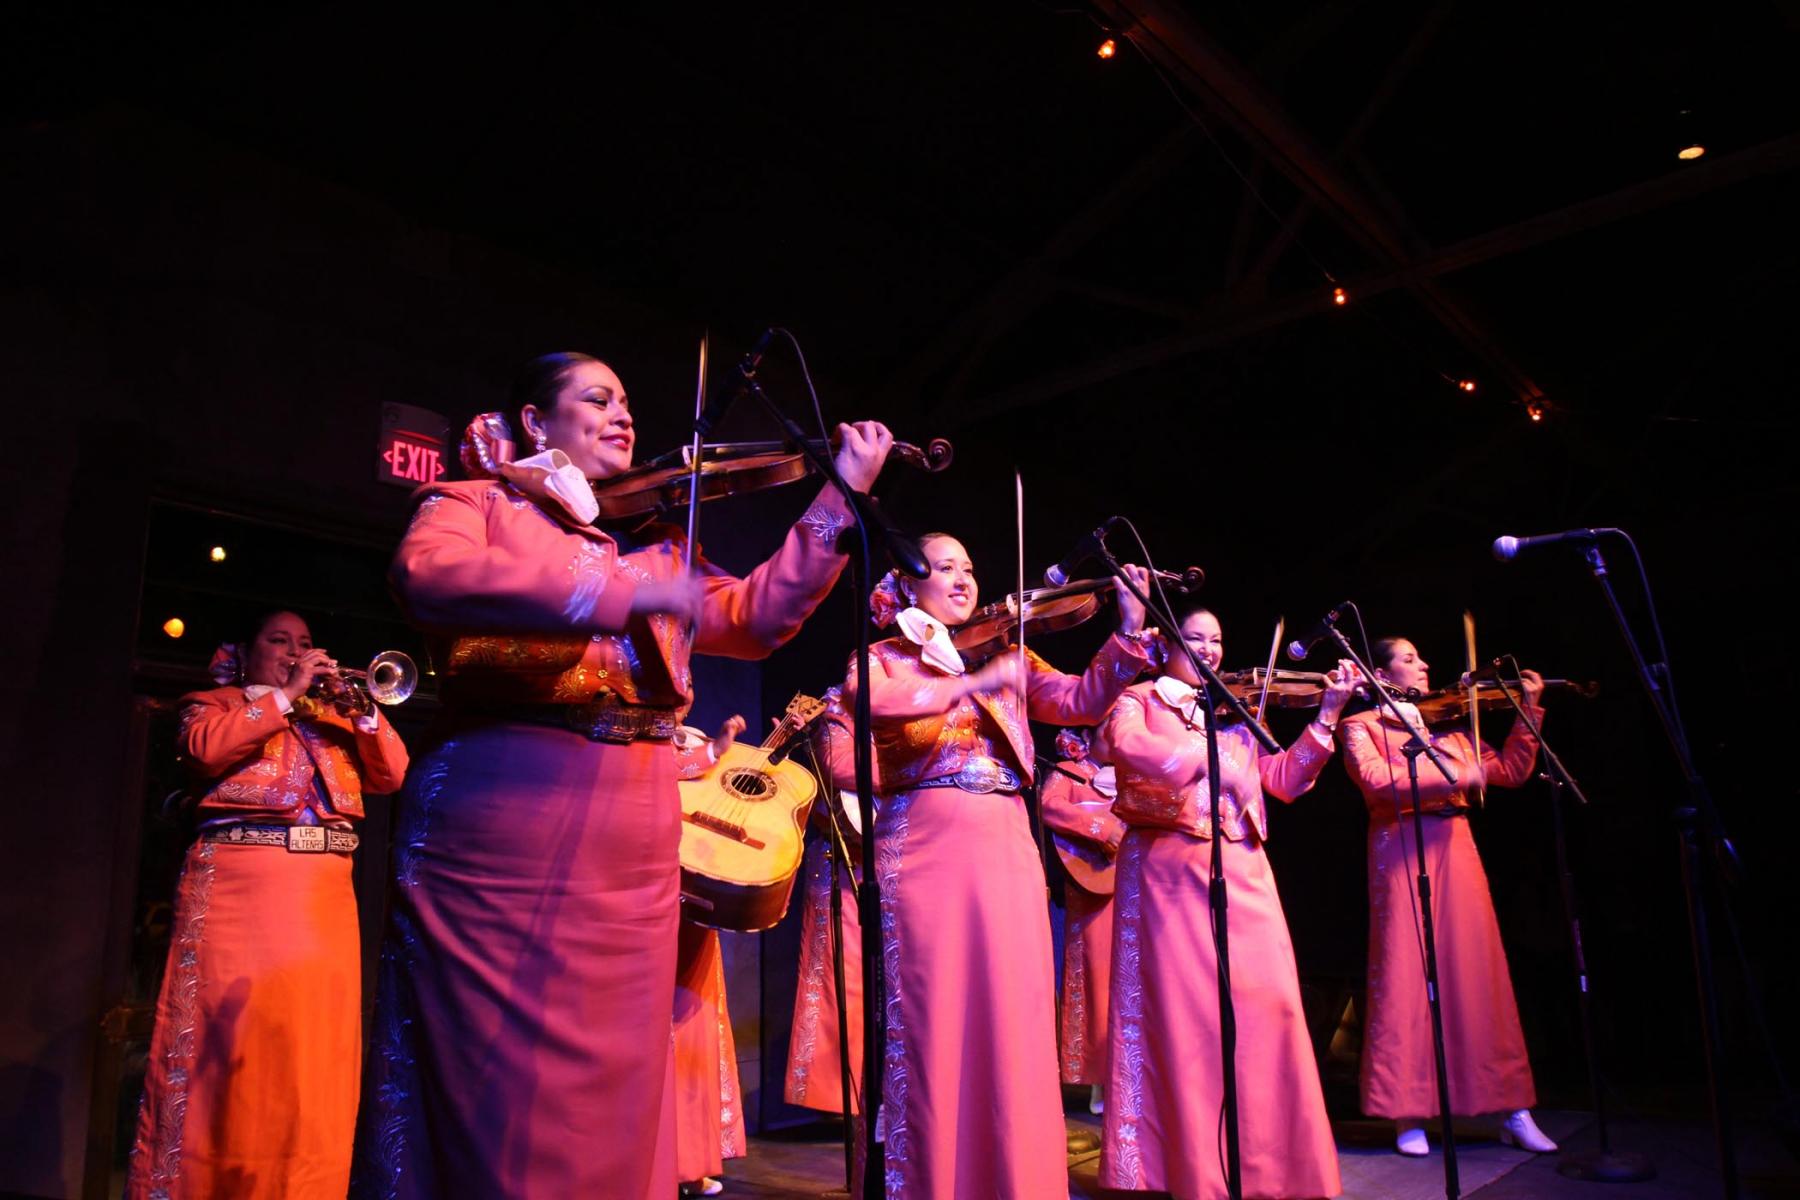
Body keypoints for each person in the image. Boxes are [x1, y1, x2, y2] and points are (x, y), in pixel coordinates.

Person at [355, 351, 893, 1199]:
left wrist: (840, 497)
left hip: (637, 836)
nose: (623, 415)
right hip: (507, 816)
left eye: (628, 403)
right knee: (503, 1084)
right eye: (597, 399)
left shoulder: (651, 541)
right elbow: (431, 577)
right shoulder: (476, 502)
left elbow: (757, 618)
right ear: (536, 422)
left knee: (618, 1082)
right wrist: (615, 593)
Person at [850, 534, 1155, 1198]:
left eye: (970, 565)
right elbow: (870, 707)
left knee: (1013, 1015)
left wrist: (1127, 631)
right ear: (907, 584)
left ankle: (1016, 1180)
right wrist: (967, 680)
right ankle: (933, 1179)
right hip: (927, 844)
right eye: (944, 567)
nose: (963, 577)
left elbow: (1080, 700)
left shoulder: (1010, 653)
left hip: (1009, 845)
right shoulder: (883, 659)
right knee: (934, 1016)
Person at [129, 611, 409, 1200]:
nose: (294, 651)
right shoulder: (213, 703)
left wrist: (361, 710)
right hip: (241, 892)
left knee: (312, 1061)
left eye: (304, 643)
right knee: (231, 1050)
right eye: (279, 641)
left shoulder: (335, 717)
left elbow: (393, 774)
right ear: (245, 650)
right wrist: (284, 696)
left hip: (324, 899)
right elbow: (203, 751)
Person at [1099, 607, 1348, 1200]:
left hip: (1245, 870)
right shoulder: (1136, 700)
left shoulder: (1234, 712)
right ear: (1167, 644)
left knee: (1272, 1010)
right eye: (1196, 638)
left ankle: (1270, 1166)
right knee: (1191, 1024)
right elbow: (1128, 750)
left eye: (1218, 638)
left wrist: (1329, 714)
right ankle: (1193, 1173)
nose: (1210, 649)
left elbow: (1283, 780)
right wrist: (1212, 764)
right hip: (1169, 870)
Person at [1339, 637, 1557, 1156]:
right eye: (1410, 659)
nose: (1425, 665)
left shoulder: (1452, 729)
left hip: (1456, 849)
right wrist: (1458, 775)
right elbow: (1377, 781)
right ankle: (1405, 1109)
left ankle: (1512, 1107)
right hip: (1400, 849)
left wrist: (1528, 707)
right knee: (1404, 975)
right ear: (1381, 672)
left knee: (1478, 974)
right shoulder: (1360, 726)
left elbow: (1510, 771)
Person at [784, 686, 870, 1120]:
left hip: (882, 868)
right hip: (837, 868)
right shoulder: (835, 720)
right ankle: (836, 1095)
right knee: (840, 977)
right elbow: (839, 769)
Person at [671, 719, 748, 1199]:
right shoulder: (636, 736)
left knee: (694, 1024)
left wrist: (718, 751)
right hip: (650, 889)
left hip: (694, 899)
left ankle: (690, 1159)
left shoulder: (697, 739)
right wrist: (712, 751)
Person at [1038, 727, 1125, 1114]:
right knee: (1096, 978)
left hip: (1134, 886)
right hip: (1091, 891)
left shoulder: (1131, 772)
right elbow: (1049, 805)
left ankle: (1125, 1075)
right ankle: (1098, 1076)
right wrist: (1103, 828)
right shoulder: (1072, 771)